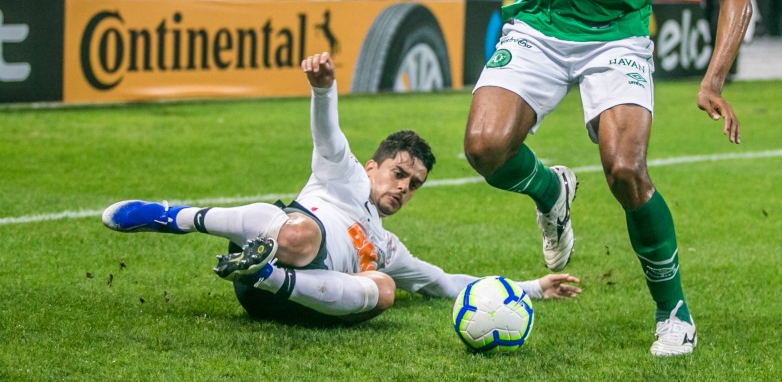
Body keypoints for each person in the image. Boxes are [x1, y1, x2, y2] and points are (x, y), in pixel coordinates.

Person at [334, 0, 752, 357]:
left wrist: (713, 79)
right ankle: (551, 191)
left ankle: (673, 311)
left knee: (626, 170)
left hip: (616, 36)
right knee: (484, 149)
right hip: (541, 24)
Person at [102, 53, 581, 326]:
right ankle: (174, 217)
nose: (403, 187)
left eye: (413, 185)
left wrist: (532, 289)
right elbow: (328, 135)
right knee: (298, 235)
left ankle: (268, 276)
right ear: (372, 166)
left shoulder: (388, 246)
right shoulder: (343, 176)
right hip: (279, 244)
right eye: (398, 173)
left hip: (291, 299)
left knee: (388, 288)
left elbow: (446, 284)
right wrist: (323, 89)